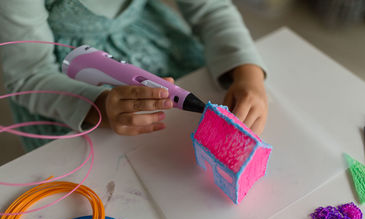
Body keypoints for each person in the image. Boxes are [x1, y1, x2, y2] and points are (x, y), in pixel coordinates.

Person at [0, 0, 268, 151]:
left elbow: (212, 10)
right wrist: (101, 107)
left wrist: (248, 75)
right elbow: (29, 76)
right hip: (65, 82)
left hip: (150, 37)